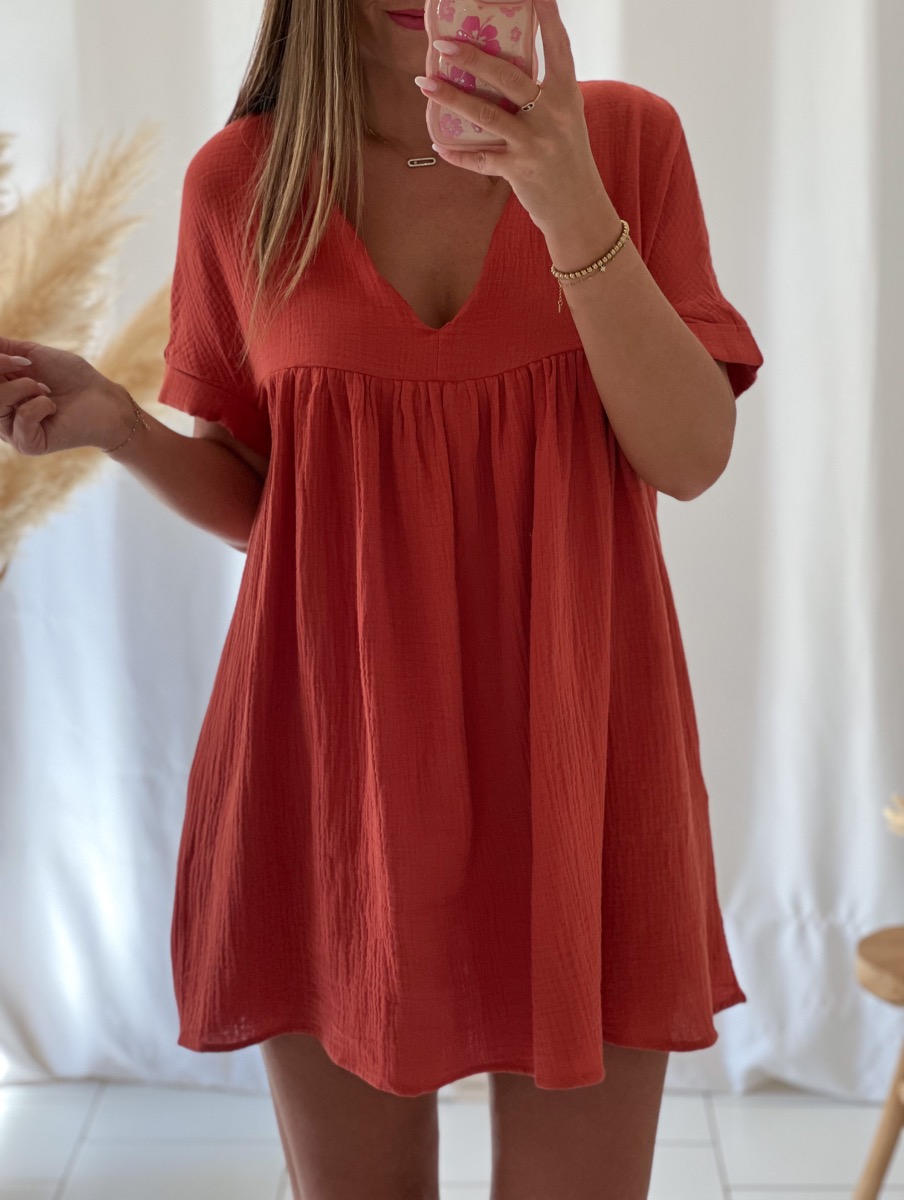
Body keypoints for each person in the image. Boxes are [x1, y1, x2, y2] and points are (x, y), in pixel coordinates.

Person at [0, 0, 765, 1196]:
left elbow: (690, 455)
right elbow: (288, 515)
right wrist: (123, 428)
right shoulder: (241, 185)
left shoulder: (621, 140)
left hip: (582, 763)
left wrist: (566, 197)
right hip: (333, 769)